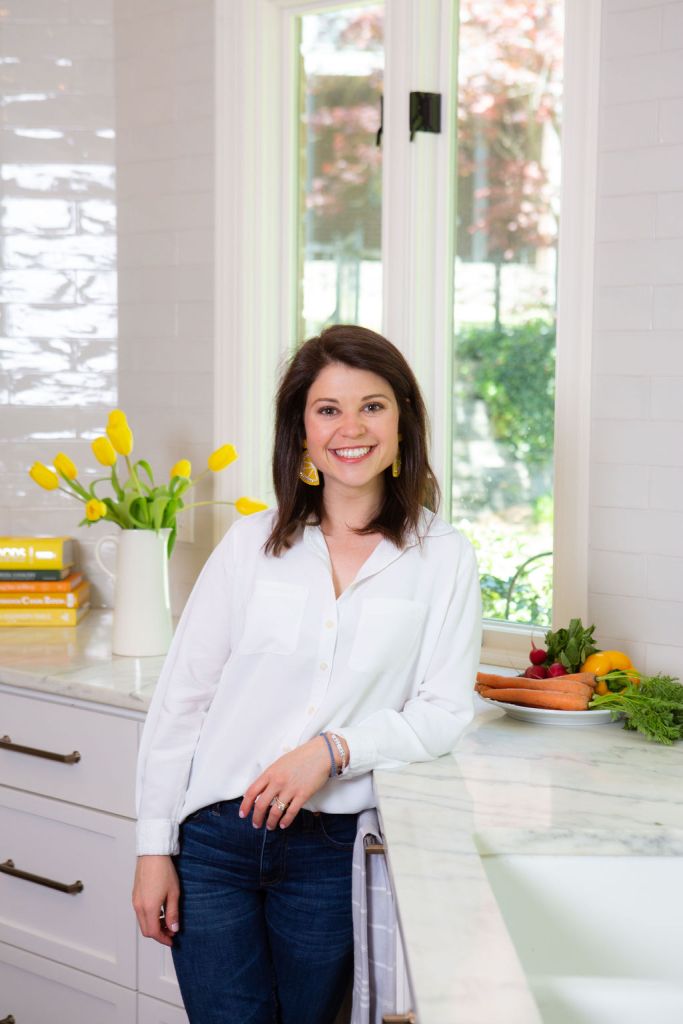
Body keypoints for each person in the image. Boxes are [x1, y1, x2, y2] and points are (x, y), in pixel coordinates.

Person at [132, 324, 482, 1024]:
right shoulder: (248, 546)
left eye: (372, 405)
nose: (349, 428)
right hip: (214, 845)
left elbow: (443, 710)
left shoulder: (443, 557)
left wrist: (331, 750)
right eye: (327, 409)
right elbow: (183, 702)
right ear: (301, 430)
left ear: (403, 420)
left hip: (329, 854)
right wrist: (152, 848)